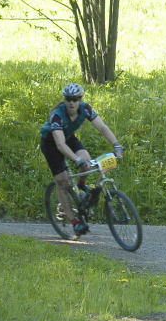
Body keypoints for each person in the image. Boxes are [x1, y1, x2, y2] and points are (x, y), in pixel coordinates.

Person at [40, 83, 124, 237]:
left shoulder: (85, 109)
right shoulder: (57, 115)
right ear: (64, 99)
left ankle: (81, 187)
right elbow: (60, 144)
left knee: (87, 161)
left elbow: (103, 127)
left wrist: (116, 144)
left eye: (75, 99)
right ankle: (74, 222)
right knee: (62, 180)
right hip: (51, 143)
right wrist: (75, 158)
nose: (72, 102)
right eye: (68, 99)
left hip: (69, 137)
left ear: (80, 99)